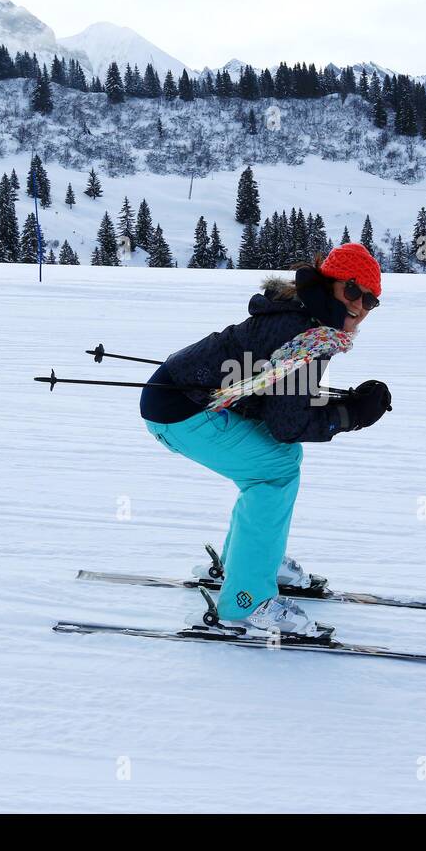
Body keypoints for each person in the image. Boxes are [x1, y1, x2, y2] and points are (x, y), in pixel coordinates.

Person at [140, 243, 391, 636]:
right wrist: (352, 416)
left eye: (371, 300)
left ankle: (253, 559)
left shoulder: (307, 319)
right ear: (329, 283)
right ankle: (247, 601)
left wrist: (342, 405)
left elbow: (280, 394)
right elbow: (287, 425)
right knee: (275, 470)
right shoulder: (307, 333)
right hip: (182, 412)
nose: (360, 306)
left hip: (178, 399)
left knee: (275, 463)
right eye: (353, 291)